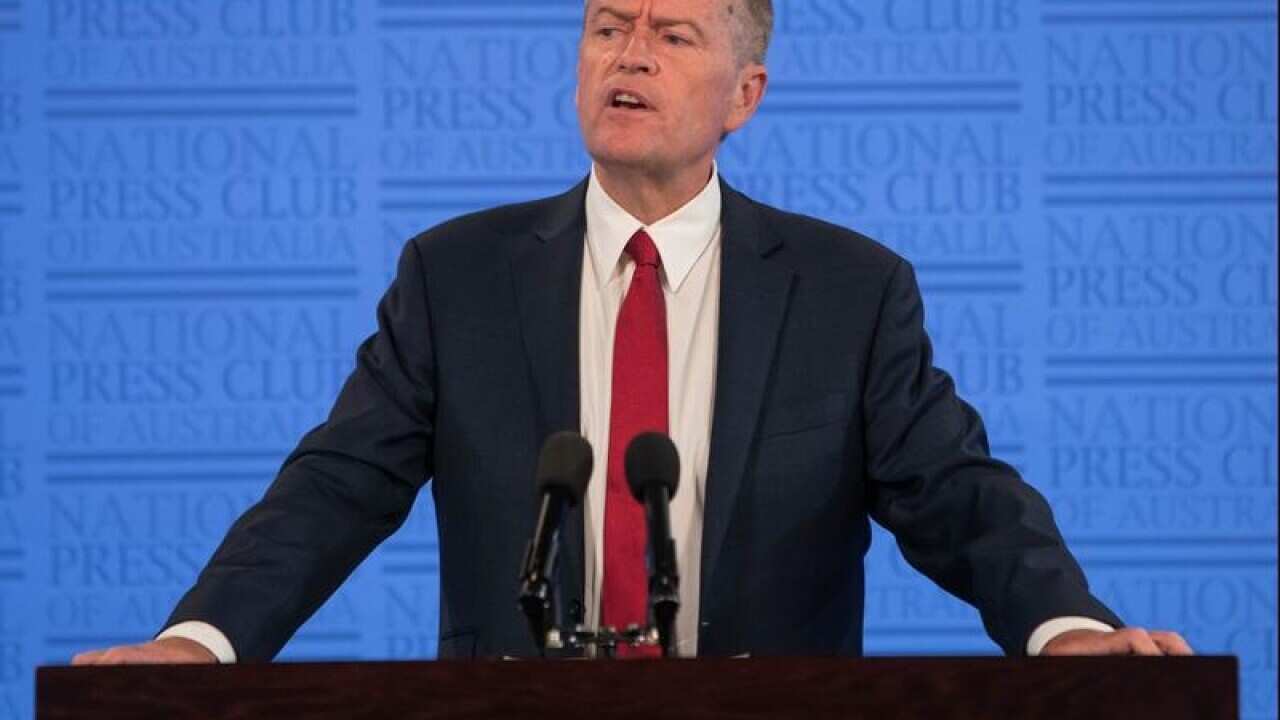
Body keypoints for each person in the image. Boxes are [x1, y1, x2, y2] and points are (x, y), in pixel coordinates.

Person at [73, 0, 1191, 665]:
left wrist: (1065, 629)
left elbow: (953, 493)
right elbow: (336, 487)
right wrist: (201, 643)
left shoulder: (849, 291)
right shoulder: (456, 276)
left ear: (743, 93)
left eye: (672, 33)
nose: (630, 53)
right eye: (607, 27)